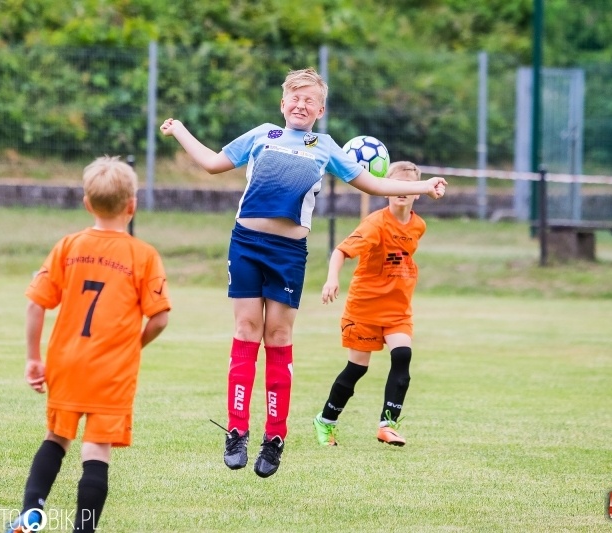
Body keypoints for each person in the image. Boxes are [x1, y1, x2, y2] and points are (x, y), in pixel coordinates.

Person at [159, 68, 446, 478]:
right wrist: (180, 129)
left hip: (289, 252)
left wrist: (424, 186)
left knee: (277, 335)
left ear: (321, 109)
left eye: (310, 100)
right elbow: (210, 163)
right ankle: (237, 431)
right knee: (245, 331)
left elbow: (375, 186)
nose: (301, 104)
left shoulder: (325, 147)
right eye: (294, 97)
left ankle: (274, 437)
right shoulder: (261, 135)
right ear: (282, 104)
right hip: (246, 244)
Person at [5, 156, 171, 533]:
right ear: (132, 205)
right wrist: (134, 346)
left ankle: (32, 511)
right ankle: (84, 528)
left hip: (66, 362)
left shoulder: (68, 246)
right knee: (96, 450)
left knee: (57, 438)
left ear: (86, 203)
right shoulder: (143, 256)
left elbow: (36, 304)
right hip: (112, 371)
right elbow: (160, 316)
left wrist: (34, 359)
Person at [313, 161, 426, 448]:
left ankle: (387, 425)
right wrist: (331, 279)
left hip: (398, 309)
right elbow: (341, 251)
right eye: (395, 185)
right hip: (364, 307)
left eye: (407, 185)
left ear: (416, 191)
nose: (401, 191)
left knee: (402, 356)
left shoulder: (418, 225)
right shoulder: (375, 224)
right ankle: (325, 421)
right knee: (357, 369)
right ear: (385, 189)